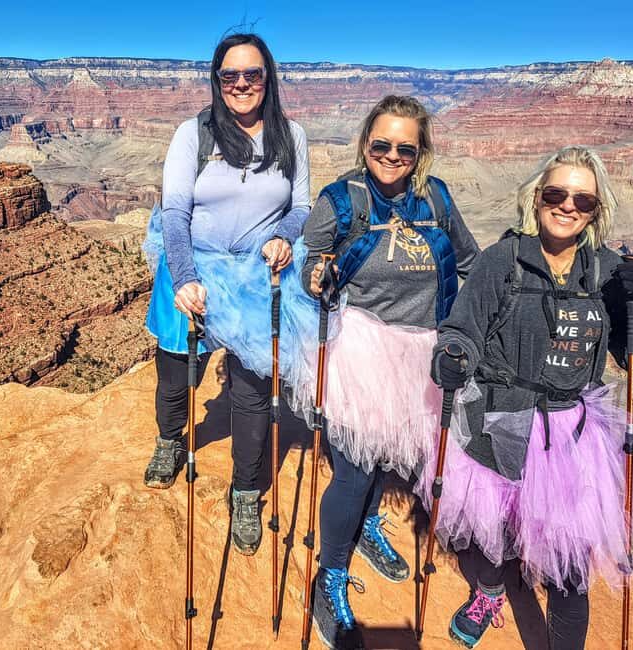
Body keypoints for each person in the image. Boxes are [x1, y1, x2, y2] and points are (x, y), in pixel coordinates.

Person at [421, 146, 633, 649]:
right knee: (495, 526)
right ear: (537, 199)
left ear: (595, 212)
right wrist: (453, 354)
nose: (567, 207)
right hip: (501, 417)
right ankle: (489, 593)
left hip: (571, 434)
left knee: (569, 566)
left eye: (583, 200)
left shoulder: (608, 272)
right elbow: (463, 328)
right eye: (557, 194)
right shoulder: (503, 262)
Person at [293, 95, 480, 648]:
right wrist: (314, 277)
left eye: (405, 146)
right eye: (381, 144)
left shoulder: (436, 198)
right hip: (362, 348)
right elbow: (312, 258)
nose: (392, 155)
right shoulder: (341, 200)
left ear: (420, 151)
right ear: (364, 144)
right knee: (354, 469)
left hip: (423, 350)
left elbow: (470, 262)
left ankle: (370, 524)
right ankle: (329, 575)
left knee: (391, 454)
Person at [141, 32, 311, 557]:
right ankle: (171, 441)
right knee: (176, 376)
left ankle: (245, 490)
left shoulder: (291, 135)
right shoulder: (194, 134)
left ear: (268, 79)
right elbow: (174, 213)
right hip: (193, 268)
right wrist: (186, 276)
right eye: (229, 76)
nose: (241, 84)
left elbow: (300, 205)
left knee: (252, 393)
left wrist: (286, 235)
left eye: (252, 75)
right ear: (216, 81)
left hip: (256, 277)